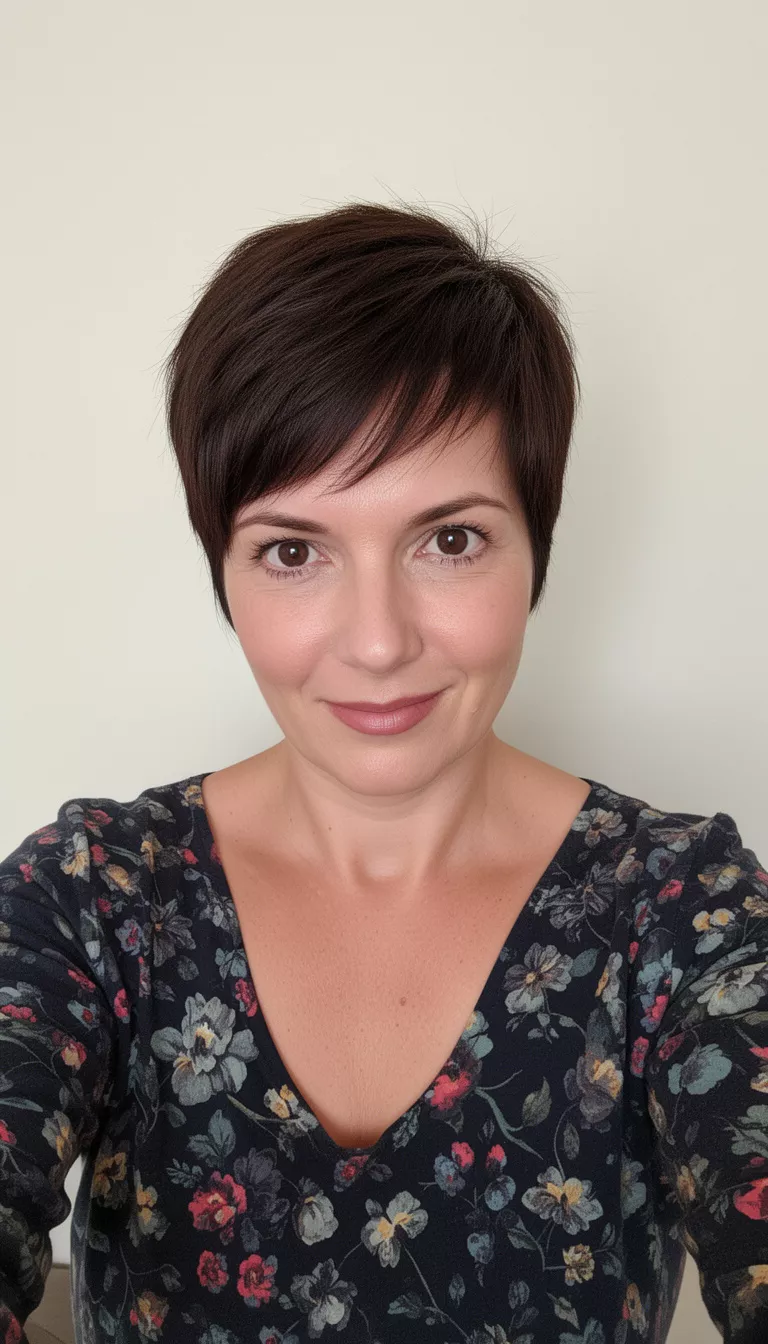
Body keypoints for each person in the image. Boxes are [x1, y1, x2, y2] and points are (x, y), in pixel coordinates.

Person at [1, 202, 766, 1344]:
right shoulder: (92, 899)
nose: (375, 641)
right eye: (293, 551)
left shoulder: (681, 913)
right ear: (223, 573)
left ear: (536, 550)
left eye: (449, 539)